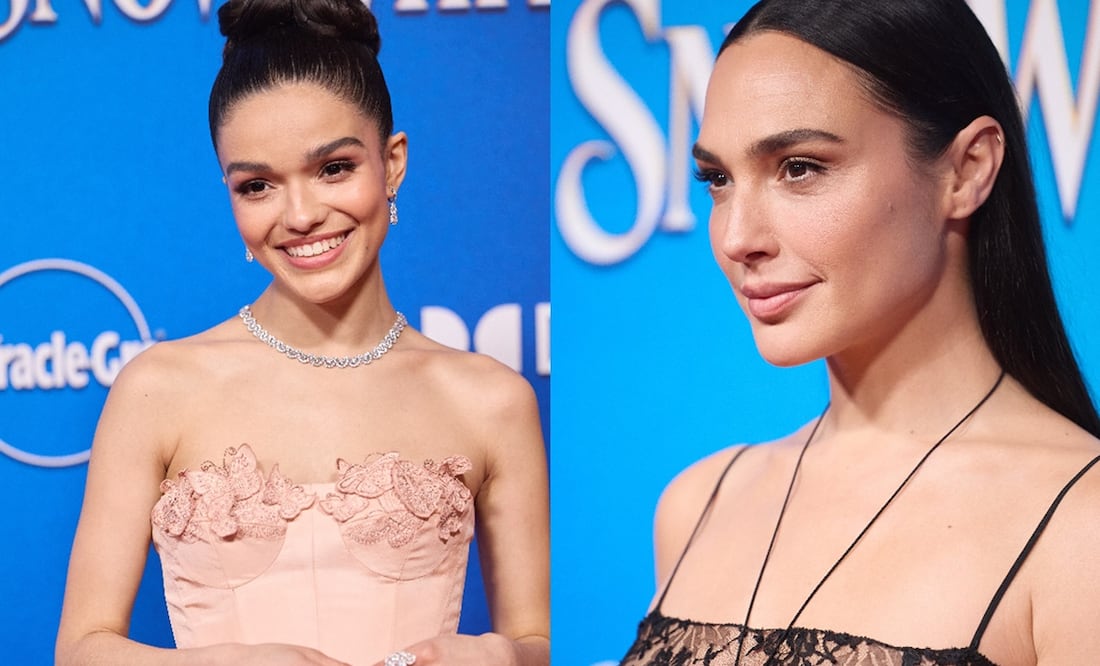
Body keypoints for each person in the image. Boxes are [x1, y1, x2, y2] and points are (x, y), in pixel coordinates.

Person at [54, 0, 549, 664]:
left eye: (333, 169)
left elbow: (540, 640)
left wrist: (501, 657)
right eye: (257, 186)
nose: (301, 215)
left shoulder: (490, 400)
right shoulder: (157, 389)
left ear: (392, 163)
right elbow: (81, 648)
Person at [620, 1, 1100, 665]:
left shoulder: (1082, 529)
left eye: (800, 168)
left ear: (968, 170)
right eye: (718, 180)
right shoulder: (699, 502)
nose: (737, 238)